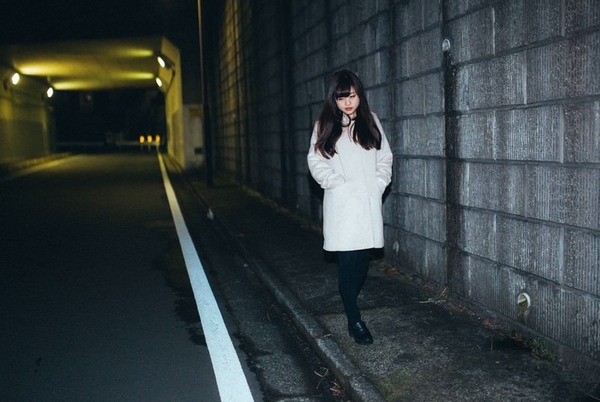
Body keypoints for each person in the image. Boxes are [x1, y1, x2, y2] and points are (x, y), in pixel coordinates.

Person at [307, 70, 393, 345]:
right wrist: (335, 183)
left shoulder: (371, 121)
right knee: (347, 263)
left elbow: (385, 158)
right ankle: (354, 320)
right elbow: (315, 160)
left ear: (359, 96)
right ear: (333, 98)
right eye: (341, 97)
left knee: (361, 263)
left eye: (352, 96)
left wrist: (378, 184)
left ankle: (349, 302)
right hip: (342, 206)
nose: (347, 102)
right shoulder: (325, 124)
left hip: (366, 204)